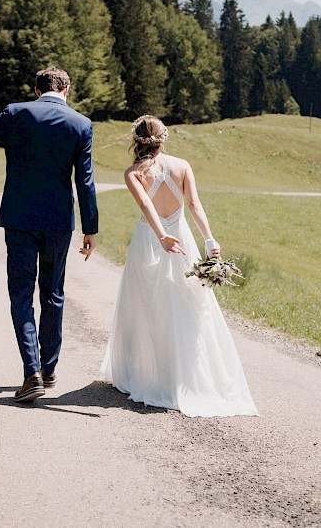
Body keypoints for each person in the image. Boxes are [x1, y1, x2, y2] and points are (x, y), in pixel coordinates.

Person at [0, 66, 98, 402]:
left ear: (37, 89)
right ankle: (49, 368)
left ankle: (32, 373)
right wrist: (91, 228)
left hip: (20, 219)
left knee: (22, 295)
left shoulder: (16, 113)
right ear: (66, 89)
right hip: (59, 223)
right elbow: (85, 181)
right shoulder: (81, 124)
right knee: (53, 293)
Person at [101, 115, 257, 417]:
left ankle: (148, 375)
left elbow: (146, 206)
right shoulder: (182, 166)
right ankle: (184, 375)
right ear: (163, 138)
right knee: (187, 304)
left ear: (137, 139)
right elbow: (195, 205)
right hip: (181, 237)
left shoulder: (133, 173)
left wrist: (161, 236)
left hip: (151, 239)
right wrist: (209, 240)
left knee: (145, 306)